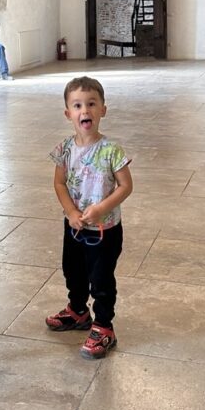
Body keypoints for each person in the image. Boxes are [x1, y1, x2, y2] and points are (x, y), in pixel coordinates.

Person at [45, 75, 133, 359]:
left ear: (102, 110)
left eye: (92, 104)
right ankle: (78, 311)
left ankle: (104, 326)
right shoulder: (64, 149)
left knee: (101, 279)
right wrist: (71, 212)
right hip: (74, 226)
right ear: (68, 113)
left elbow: (126, 186)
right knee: (73, 271)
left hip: (105, 230)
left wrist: (101, 208)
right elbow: (59, 183)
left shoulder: (111, 150)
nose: (85, 110)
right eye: (78, 105)